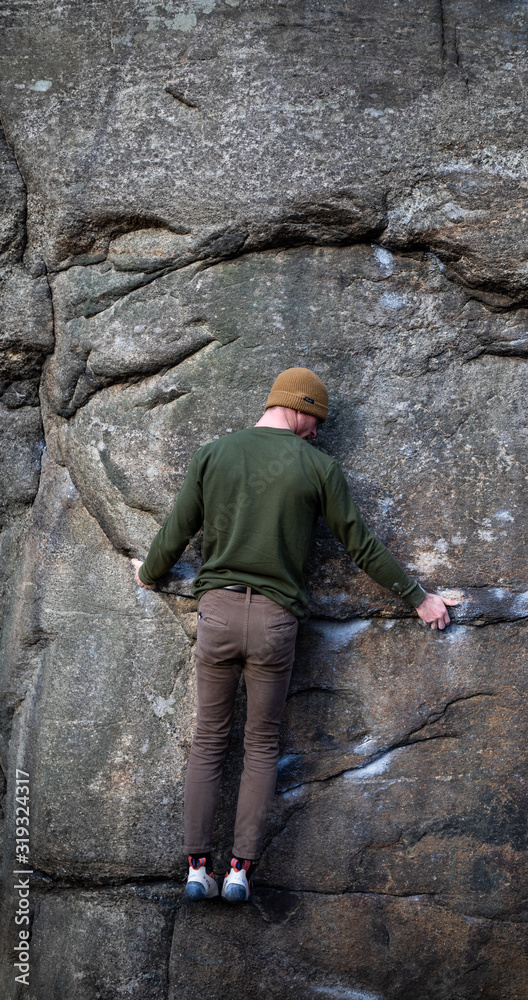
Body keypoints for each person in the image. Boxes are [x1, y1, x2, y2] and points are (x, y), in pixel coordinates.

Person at [131, 367, 457, 904]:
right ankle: (239, 871)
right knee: (260, 746)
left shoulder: (214, 454)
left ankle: (195, 869)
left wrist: (149, 571)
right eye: (316, 422)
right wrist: (418, 597)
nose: (317, 433)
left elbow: (176, 531)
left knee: (209, 740)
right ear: (299, 408)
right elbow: (362, 545)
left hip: (216, 613)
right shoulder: (319, 468)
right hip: (276, 623)